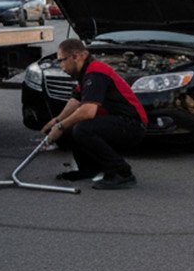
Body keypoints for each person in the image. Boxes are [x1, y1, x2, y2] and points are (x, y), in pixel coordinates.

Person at [40, 39, 146, 190]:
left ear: (76, 56)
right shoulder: (86, 73)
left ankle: (122, 173)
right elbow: (75, 101)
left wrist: (60, 127)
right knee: (72, 127)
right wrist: (56, 121)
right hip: (116, 121)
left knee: (82, 128)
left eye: (62, 60)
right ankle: (88, 169)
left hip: (132, 125)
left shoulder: (96, 72)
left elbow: (88, 111)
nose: (61, 66)